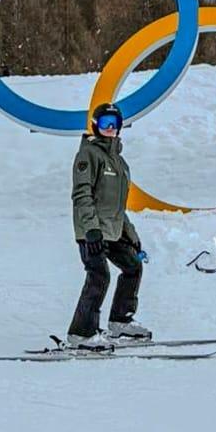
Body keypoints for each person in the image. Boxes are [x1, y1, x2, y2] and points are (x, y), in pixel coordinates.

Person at [67, 102, 152, 347]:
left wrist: (131, 235)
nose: (110, 128)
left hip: (113, 230)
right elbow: (82, 194)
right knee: (99, 275)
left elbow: (117, 207)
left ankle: (120, 321)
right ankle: (81, 333)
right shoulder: (88, 155)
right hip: (92, 231)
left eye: (115, 124)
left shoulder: (120, 163)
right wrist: (92, 229)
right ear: (96, 125)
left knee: (133, 266)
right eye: (105, 123)